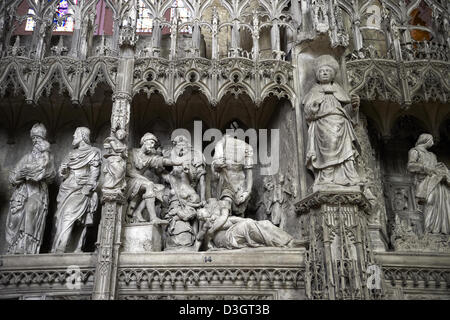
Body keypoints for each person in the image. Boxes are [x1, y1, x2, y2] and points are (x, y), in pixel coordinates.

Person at [303, 55, 361, 188]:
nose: (324, 73)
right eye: (321, 71)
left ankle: (348, 176)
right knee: (328, 147)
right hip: (322, 124)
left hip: (342, 123)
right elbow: (308, 112)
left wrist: (354, 106)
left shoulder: (339, 90)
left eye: (327, 71)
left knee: (347, 151)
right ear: (317, 75)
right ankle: (327, 176)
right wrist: (314, 106)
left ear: (333, 75)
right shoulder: (314, 90)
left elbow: (348, 111)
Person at [5, 123, 55, 254]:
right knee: (15, 217)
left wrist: (42, 167)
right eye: (33, 139)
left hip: (37, 193)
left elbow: (51, 176)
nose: (35, 141)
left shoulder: (48, 157)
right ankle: (15, 247)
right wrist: (20, 175)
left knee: (30, 209)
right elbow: (12, 177)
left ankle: (27, 246)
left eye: (38, 138)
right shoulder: (26, 157)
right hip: (22, 193)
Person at [52, 127, 101, 253]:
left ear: (83, 136)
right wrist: (63, 171)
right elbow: (63, 173)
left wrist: (88, 187)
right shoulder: (70, 154)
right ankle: (64, 246)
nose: (73, 137)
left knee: (70, 215)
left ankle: (62, 247)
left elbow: (95, 172)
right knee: (61, 217)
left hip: (81, 188)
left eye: (75, 135)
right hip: (66, 189)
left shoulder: (93, 152)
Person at [196, 199, 304, 251]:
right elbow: (199, 237)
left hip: (233, 230)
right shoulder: (207, 225)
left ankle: (289, 241)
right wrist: (207, 230)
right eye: (200, 216)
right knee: (247, 225)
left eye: (202, 212)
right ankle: (282, 243)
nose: (202, 215)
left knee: (263, 223)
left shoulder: (219, 217)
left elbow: (233, 219)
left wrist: (251, 221)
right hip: (227, 238)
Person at [126, 132, 180, 224]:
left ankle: (138, 212)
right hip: (129, 181)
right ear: (144, 141)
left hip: (140, 181)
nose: (152, 145)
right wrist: (144, 180)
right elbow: (128, 171)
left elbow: (162, 161)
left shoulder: (150, 158)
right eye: (151, 142)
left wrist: (178, 162)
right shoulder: (132, 152)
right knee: (149, 184)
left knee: (160, 189)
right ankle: (153, 218)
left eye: (154, 144)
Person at [163, 135, 206, 250]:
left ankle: (195, 244)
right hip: (175, 196)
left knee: (195, 215)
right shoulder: (170, 156)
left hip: (190, 194)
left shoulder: (195, 157)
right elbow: (162, 171)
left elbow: (201, 181)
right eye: (178, 146)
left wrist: (203, 199)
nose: (181, 148)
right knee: (175, 219)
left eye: (184, 146)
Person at [407, 134, 450, 235]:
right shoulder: (414, 151)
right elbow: (410, 166)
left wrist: (440, 169)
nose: (433, 142)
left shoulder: (432, 155)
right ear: (425, 140)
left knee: (440, 203)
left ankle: (440, 230)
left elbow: (434, 168)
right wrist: (425, 168)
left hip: (436, 182)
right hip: (424, 181)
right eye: (431, 140)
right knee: (430, 202)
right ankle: (429, 230)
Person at [211, 135, 254, 216]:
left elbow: (249, 174)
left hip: (240, 186)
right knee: (226, 204)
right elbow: (215, 167)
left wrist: (247, 192)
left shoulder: (247, 148)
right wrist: (217, 165)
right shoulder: (220, 145)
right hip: (225, 185)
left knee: (240, 214)